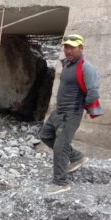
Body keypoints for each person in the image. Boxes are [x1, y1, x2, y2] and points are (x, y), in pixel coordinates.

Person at [40, 34, 103, 195]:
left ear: (81, 48)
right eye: (66, 47)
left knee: (60, 147)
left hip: (71, 114)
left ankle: (60, 183)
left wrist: (81, 106)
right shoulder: (68, 64)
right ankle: (77, 157)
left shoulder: (86, 67)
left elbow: (94, 92)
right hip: (59, 112)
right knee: (46, 135)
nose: (68, 50)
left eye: (72, 47)